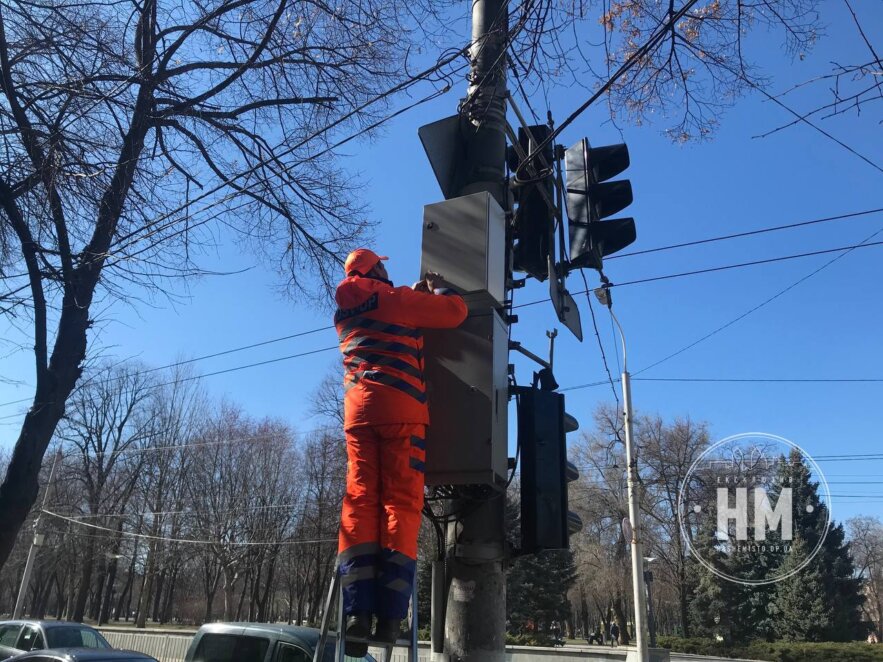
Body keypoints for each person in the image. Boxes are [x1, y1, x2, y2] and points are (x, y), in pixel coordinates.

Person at [334, 248, 468, 657]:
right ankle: (391, 617)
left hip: (359, 414)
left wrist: (411, 292)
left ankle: (358, 614)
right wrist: (439, 287)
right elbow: (454, 311)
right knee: (401, 504)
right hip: (402, 413)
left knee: (360, 504)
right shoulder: (396, 301)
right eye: (383, 265)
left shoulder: (344, 312)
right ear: (374, 269)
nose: (388, 269)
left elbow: (388, 307)